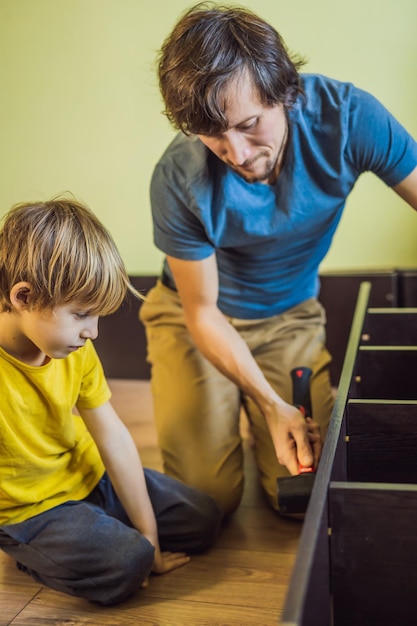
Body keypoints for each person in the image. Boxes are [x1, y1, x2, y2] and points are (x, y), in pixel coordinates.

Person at [139, 2, 417, 516]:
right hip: (193, 319)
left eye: (249, 125)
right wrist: (271, 403)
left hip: (287, 317)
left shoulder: (350, 119)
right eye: (212, 134)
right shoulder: (178, 177)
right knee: (207, 501)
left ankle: (248, 408)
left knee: (301, 496)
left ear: (285, 93)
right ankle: (244, 405)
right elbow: (202, 313)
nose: (237, 153)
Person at [0, 197, 223, 605]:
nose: (93, 333)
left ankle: (99, 528)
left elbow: (113, 438)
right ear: (24, 297)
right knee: (127, 563)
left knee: (203, 517)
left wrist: (151, 537)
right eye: (82, 314)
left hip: (89, 477)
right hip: (29, 512)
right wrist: (140, 551)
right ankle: (37, 556)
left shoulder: (74, 348)